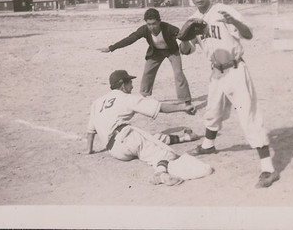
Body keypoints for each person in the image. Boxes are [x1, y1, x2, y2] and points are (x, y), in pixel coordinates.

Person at [179, 0, 279, 188]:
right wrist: (184, 39)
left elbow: (248, 34)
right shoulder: (194, 18)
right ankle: (208, 145)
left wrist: (233, 22)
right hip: (216, 72)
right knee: (212, 111)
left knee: (249, 117)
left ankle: (268, 168)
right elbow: (186, 50)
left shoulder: (223, 11)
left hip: (235, 69)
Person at [85, 70, 213, 186]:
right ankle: (160, 174)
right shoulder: (125, 98)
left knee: (151, 139)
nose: (132, 85)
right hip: (127, 138)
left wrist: (89, 150)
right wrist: (183, 108)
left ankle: (185, 137)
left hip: (115, 151)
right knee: (166, 153)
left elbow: (90, 132)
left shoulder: (97, 103)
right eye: (129, 82)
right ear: (122, 84)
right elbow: (159, 107)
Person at [100, 8, 193, 110]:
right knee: (147, 72)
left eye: (154, 24)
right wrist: (111, 47)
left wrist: (186, 36)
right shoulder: (144, 30)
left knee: (178, 73)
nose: (151, 27)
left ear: (159, 21)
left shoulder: (168, 28)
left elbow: (183, 37)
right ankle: (143, 97)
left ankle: (186, 100)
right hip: (156, 52)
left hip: (172, 51)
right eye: (149, 24)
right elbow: (130, 39)